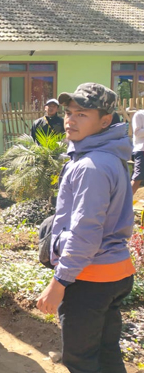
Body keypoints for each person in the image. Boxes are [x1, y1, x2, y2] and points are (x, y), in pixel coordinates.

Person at [36, 83, 134, 373]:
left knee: (81, 362)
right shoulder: (108, 157)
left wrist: (60, 282)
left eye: (82, 114)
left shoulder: (91, 165)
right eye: (69, 113)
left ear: (105, 121)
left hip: (90, 277)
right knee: (106, 354)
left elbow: (85, 234)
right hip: (113, 271)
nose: (70, 120)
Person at [132, 110, 144, 194]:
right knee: (137, 178)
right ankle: (123, 203)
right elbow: (137, 133)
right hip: (141, 150)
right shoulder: (139, 115)